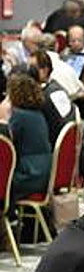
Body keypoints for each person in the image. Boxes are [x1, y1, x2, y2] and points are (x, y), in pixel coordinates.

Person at [0, 72, 52, 201]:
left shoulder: (18, 116)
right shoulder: (38, 115)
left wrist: (2, 118)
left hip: (27, 176)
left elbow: (5, 145)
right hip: (44, 174)